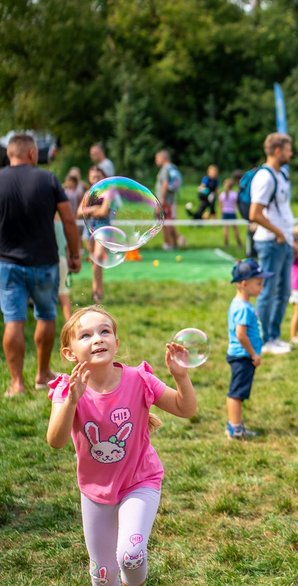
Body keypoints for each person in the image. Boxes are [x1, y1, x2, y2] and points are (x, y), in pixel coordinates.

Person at [47, 305, 197, 586]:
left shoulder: (138, 380)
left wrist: (181, 376)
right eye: (86, 335)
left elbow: (184, 408)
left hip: (140, 481)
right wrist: (71, 401)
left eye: (105, 331)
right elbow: (55, 441)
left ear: (117, 342)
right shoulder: (66, 389)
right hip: (95, 491)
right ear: (69, 353)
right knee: (102, 574)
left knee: (130, 555)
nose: (98, 339)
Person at [0, 133, 81, 396]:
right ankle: (42, 374)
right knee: (46, 316)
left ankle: (16, 383)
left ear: (10, 154)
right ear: (33, 154)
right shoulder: (47, 179)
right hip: (44, 263)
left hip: (7, 264)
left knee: (14, 321)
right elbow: (68, 219)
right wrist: (75, 253)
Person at [248, 133, 295, 355]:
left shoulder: (281, 176)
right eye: (288, 149)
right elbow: (254, 213)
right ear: (277, 151)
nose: (291, 153)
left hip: (284, 242)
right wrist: (278, 233)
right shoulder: (265, 177)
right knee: (267, 291)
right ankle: (264, 339)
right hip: (271, 243)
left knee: (284, 291)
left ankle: (274, 336)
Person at [226, 258, 271, 439]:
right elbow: (241, 335)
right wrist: (253, 354)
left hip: (241, 355)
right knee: (236, 394)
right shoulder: (243, 308)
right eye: (259, 283)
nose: (262, 286)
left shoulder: (239, 303)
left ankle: (236, 425)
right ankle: (235, 429)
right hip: (243, 356)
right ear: (244, 284)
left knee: (238, 392)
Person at [81, 165, 113, 304]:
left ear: (103, 178)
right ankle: (96, 291)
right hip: (90, 229)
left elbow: (104, 212)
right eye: (93, 177)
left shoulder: (108, 193)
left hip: (103, 228)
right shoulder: (89, 193)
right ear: (89, 178)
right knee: (94, 262)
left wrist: (89, 210)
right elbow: (78, 212)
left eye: (98, 177)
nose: (95, 179)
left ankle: (97, 293)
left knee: (98, 258)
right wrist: (94, 209)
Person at [154, 149, 184, 250]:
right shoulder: (172, 167)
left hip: (165, 201)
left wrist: (161, 201)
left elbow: (165, 184)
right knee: (169, 222)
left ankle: (169, 243)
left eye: (157, 158)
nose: (156, 160)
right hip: (170, 200)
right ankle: (175, 242)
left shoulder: (165, 169)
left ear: (164, 158)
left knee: (165, 222)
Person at [218, 177, 242, 248]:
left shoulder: (222, 194)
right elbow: (236, 204)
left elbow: (220, 206)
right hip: (232, 213)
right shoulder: (235, 194)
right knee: (235, 229)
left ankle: (226, 244)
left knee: (225, 229)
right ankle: (239, 243)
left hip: (225, 213)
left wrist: (222, 212)